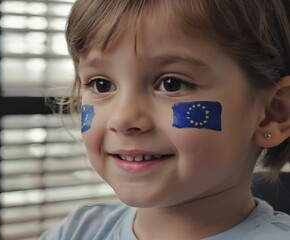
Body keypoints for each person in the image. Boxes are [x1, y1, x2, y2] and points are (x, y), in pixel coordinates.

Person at [41, 0, 290, 239]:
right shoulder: (76, 231)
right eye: (102, 84)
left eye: (172, 84)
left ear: (272, 114)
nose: (123, 118)